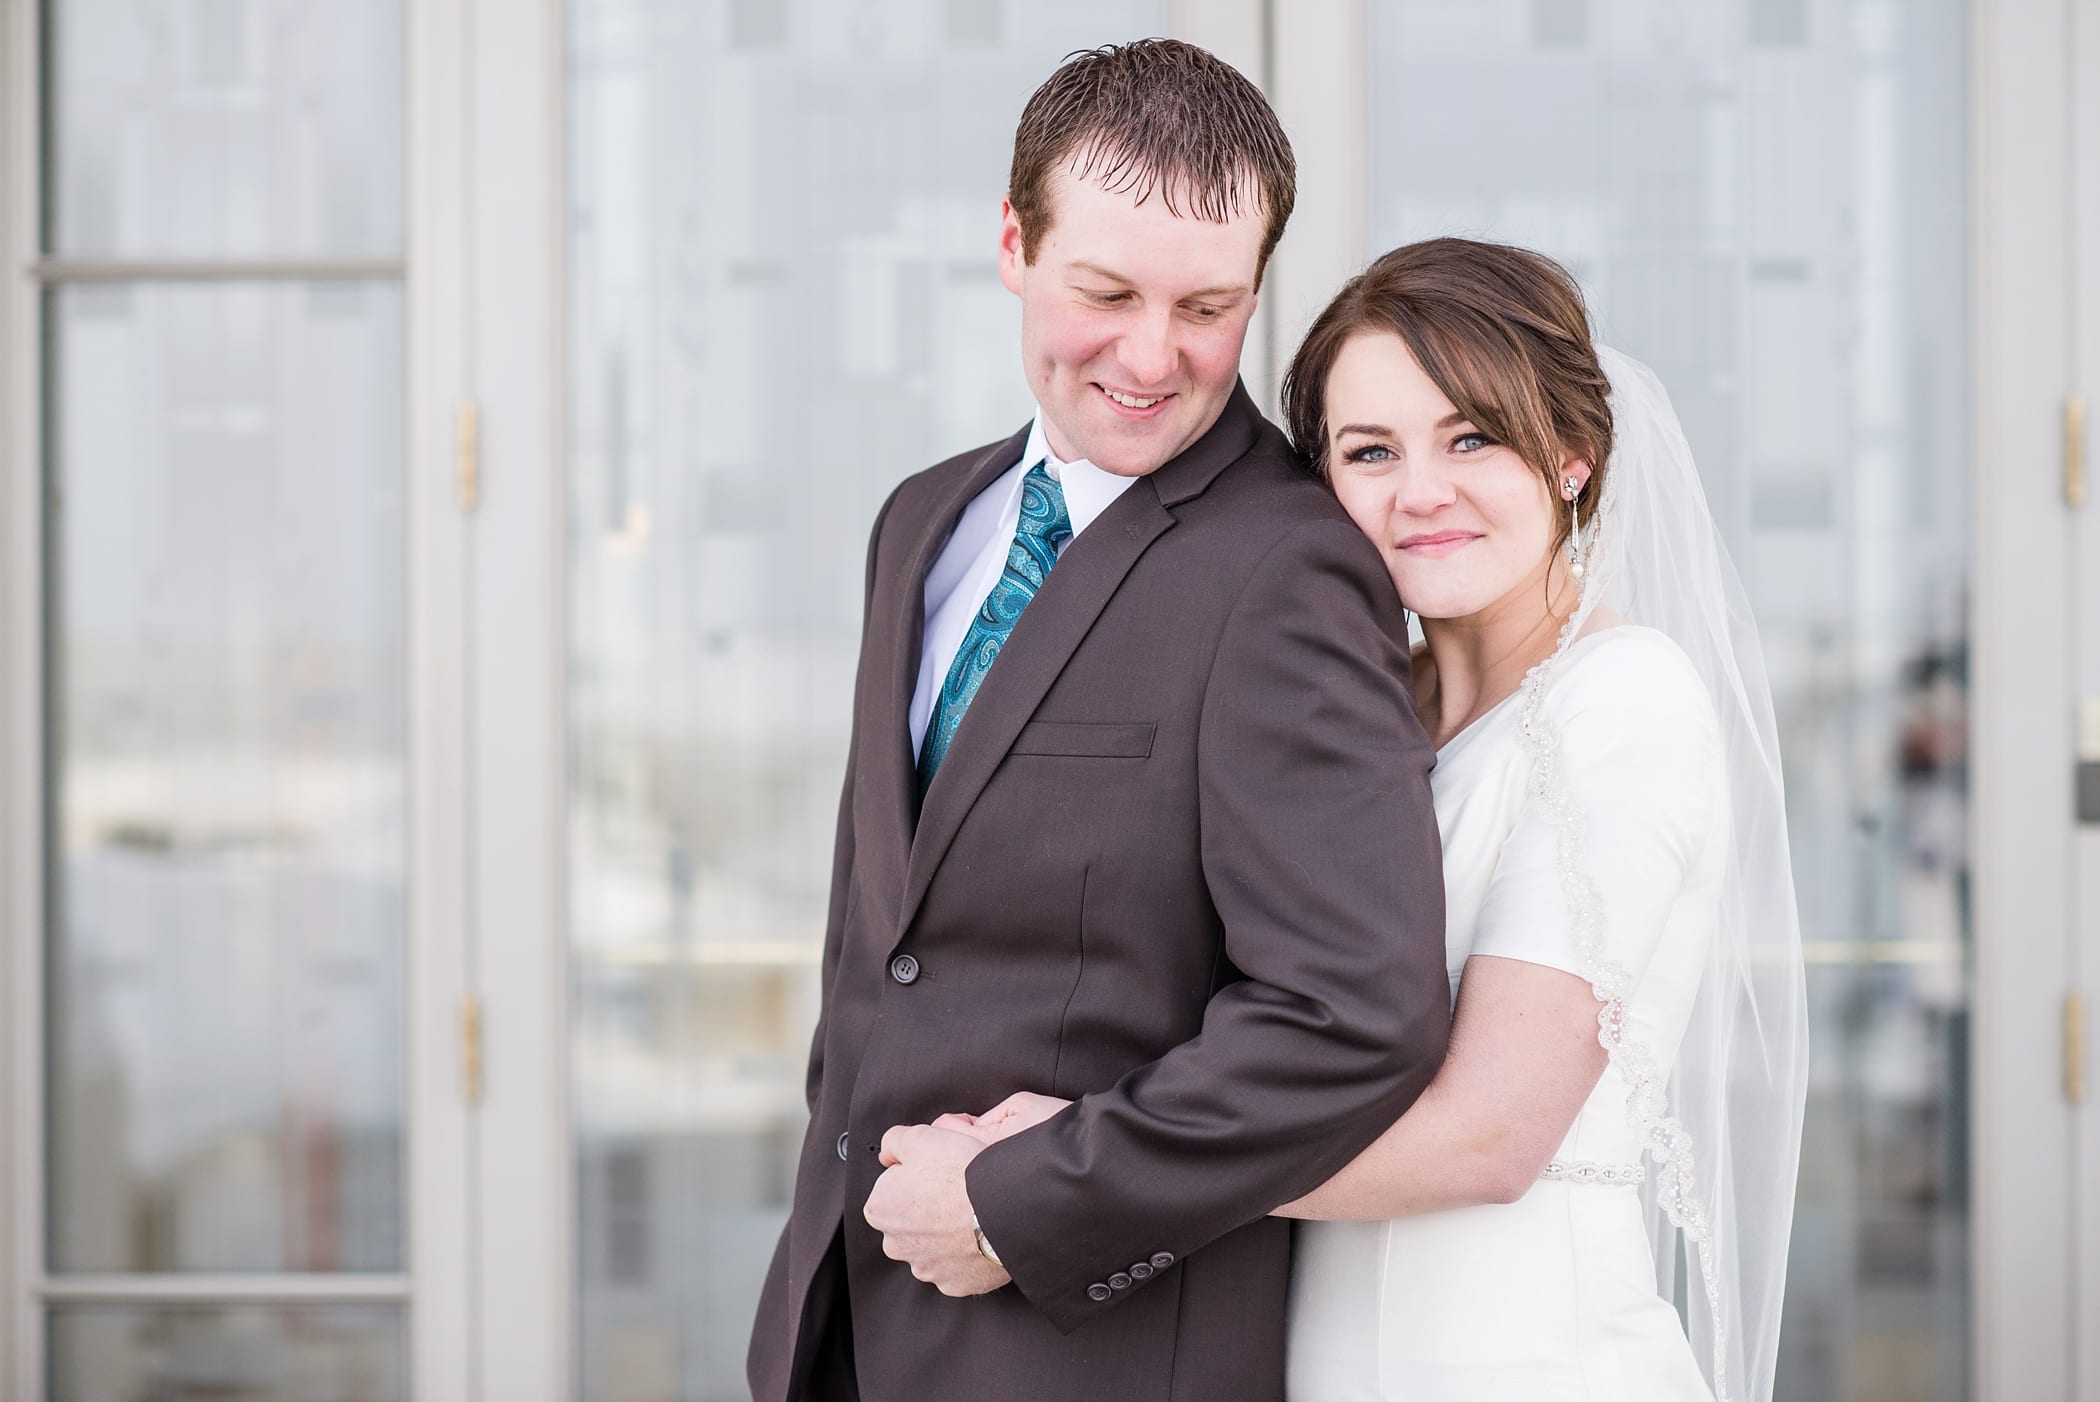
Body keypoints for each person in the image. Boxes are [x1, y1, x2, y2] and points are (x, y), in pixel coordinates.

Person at [948, 239, 1809, 1402]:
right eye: (1371, 451)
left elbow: (1488, 1136)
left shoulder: (1626, 700)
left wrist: (1062, 1171)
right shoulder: (1362, 723)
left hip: (1526, 1363)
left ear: (1570, 458)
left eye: (1472, 438)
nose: (1421, 491)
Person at [744, 42, 1451, 1402]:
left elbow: (1355, 1010)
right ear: (1014, 243)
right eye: (1107, 291)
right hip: (843, 1324)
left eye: (1208, 306)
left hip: (1099, 1353)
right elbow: (879, 947)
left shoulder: (1289, 566)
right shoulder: (923, 520)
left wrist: (1027, 1198)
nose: (1152, 355)